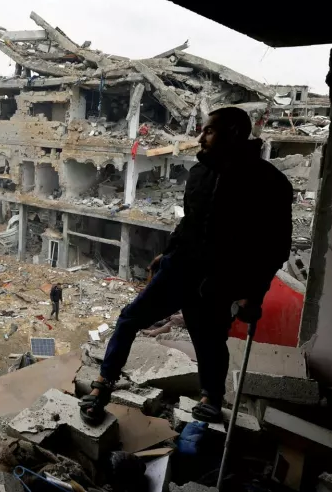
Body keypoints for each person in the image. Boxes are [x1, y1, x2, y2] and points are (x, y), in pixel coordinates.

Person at [79, 107, 292, 425]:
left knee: (209, 340)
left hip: (218, 280)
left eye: (209, 131)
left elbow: (274, 247)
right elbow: (189, 222)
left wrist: (254, 293)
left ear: (233, 134)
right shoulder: (200, 173)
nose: (200, 137)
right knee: (129, 319)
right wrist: (167, 253)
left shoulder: (268, 182)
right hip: (179, 269)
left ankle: (211, 398)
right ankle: (103, 385)